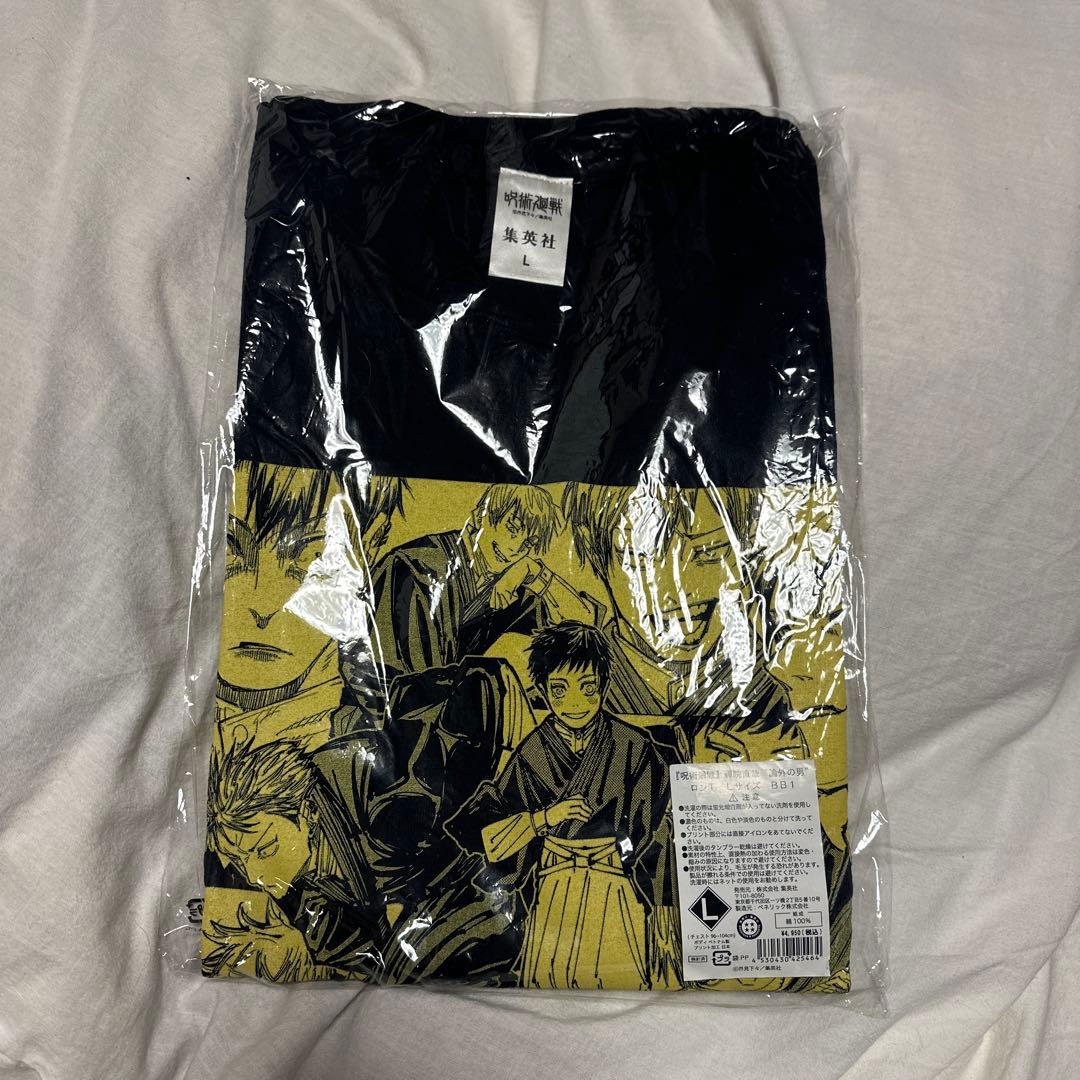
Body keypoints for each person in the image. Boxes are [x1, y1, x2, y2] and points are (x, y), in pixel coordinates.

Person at [446, 622, 678, 990]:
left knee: (624, 977)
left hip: (614, 883)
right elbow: (495, 835)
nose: (574, 703)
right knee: (548, 978)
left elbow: (651, 826)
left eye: (587, 688)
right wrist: (545, 817)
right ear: (542, 690)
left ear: (604, 686)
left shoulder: (634, 746)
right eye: (559, 689)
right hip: (554, 883)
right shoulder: (533, 752)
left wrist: (629, 864)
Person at [335, 482, 596, 734]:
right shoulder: (412, 569)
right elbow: (375, 677)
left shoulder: (508, 587)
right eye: (512, 528)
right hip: (378, 724)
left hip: (446, 725)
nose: (515, 548)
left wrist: (534, 570)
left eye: (528, 544)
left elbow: (585, 627)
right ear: (481, 514)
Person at [215, 460, 405, 753]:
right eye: (230, 547)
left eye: (314, 555)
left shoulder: (379, 732)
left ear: (371, 544)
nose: (264, 606)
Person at [202, 737, 384, 981]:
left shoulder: (373, 814)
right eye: (238, 860)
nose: (253, 877)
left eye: (265, 849)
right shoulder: (278, 888)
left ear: (309, 812)